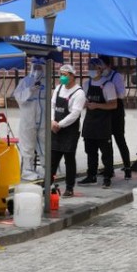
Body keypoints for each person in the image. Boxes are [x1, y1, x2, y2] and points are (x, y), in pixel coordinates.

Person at [78, 58, 118, 189]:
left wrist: (97, 105)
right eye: (89, 67)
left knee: (106, 152)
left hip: (103, 124)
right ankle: (91, 176)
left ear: (100, 69)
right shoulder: (86, 84)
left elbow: (113, 105)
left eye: (94, 68)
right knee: (90, 151)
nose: (91, 70)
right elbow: (83, 101)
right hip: (89, 122)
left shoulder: (108, 85)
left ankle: (107, 176)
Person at [50, 64, 86, 197]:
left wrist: (60, 124)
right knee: (52, 159)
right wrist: (52, 121)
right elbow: (52, 105)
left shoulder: (79, 93)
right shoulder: (58, 88)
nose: (62, 77)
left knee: (69, 159)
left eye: (65, 75)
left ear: (72, 76)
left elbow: (75, 114)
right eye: (61, 74)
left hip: (69, 131)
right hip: (55, 128)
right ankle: (47, 185)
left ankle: (69, 187)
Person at [100, 56, 133, 180]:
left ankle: (127, 167)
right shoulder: (100, 77)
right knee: (106, 142)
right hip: (105, 110)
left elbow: (122, 94)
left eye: (102, 65)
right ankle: (109, 168)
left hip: (116, 110)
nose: (100, 68)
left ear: (108, 65)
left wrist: (110, 91)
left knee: (120, 139)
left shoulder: (116, 76)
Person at [13, 58, 46, 180]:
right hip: (28, 119)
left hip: (43, 120)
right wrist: (30, 89)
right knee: (28, 145)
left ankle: (45, 168)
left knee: (44, 144)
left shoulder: (46, 82)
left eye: (40, 67)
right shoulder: (25, 81)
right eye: (35, 67)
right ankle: (27, 170)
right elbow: (18, 97)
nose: (38, 70)